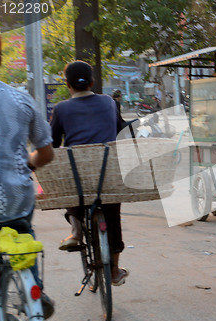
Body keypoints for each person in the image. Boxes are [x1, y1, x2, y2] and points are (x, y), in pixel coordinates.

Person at [0, 28, 55, 318]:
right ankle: (33, 287)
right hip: (15, 197)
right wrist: (28, 163)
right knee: (22, 234)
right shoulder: (20, 99)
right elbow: (46, 153)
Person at [50, 60, 129, 286]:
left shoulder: (61, 109)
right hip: (109, 173)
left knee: (72, 182)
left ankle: (76, 231)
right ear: (93, 82)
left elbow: (53, 144)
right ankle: (114, 271)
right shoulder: (108, 102)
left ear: (68, 85)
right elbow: (120, 128)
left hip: (79, 177)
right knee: (112, 216)